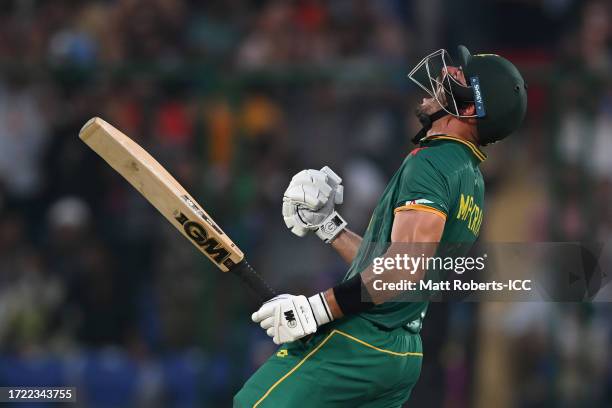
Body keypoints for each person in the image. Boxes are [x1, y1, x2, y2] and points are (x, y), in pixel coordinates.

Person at [234, 45, 527, 407]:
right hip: (401, 353)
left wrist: (317, 309)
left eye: (459, 78)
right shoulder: (471, 180)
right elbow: (395, 268)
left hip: (364, 340)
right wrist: (330, 226)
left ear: (469, 109)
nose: (444, 75)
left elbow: (404, 266)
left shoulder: (433, 163)